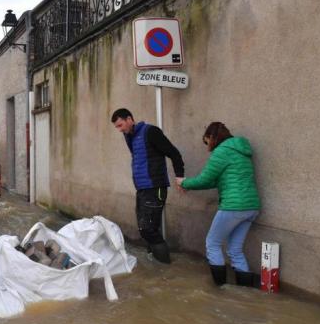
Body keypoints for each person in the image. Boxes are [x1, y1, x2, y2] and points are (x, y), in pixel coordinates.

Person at [176, 122, 261, 287]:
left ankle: (221, 290)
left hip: (233, 207)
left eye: (206, 141)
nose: (207, 146)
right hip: (251, 207)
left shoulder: (222, 151)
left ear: (212, 137)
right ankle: (245, 292)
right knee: (235, 250)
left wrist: (184, 183)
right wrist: (189, 184)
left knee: (212, 244)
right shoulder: (242, 151)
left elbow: (205, 179)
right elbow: (215, 181)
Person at [111, 108, 184, 264]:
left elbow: (174, 153)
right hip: (142, 189)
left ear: (130, 119)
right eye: (117, 127)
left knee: (147, 229)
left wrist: (179, 176)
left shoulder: (150, 132)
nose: (120, 129)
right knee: (146, 228)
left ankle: (165, 266)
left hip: (155, 187)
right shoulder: (129, 136)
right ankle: (155, 265)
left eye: (121, 125)